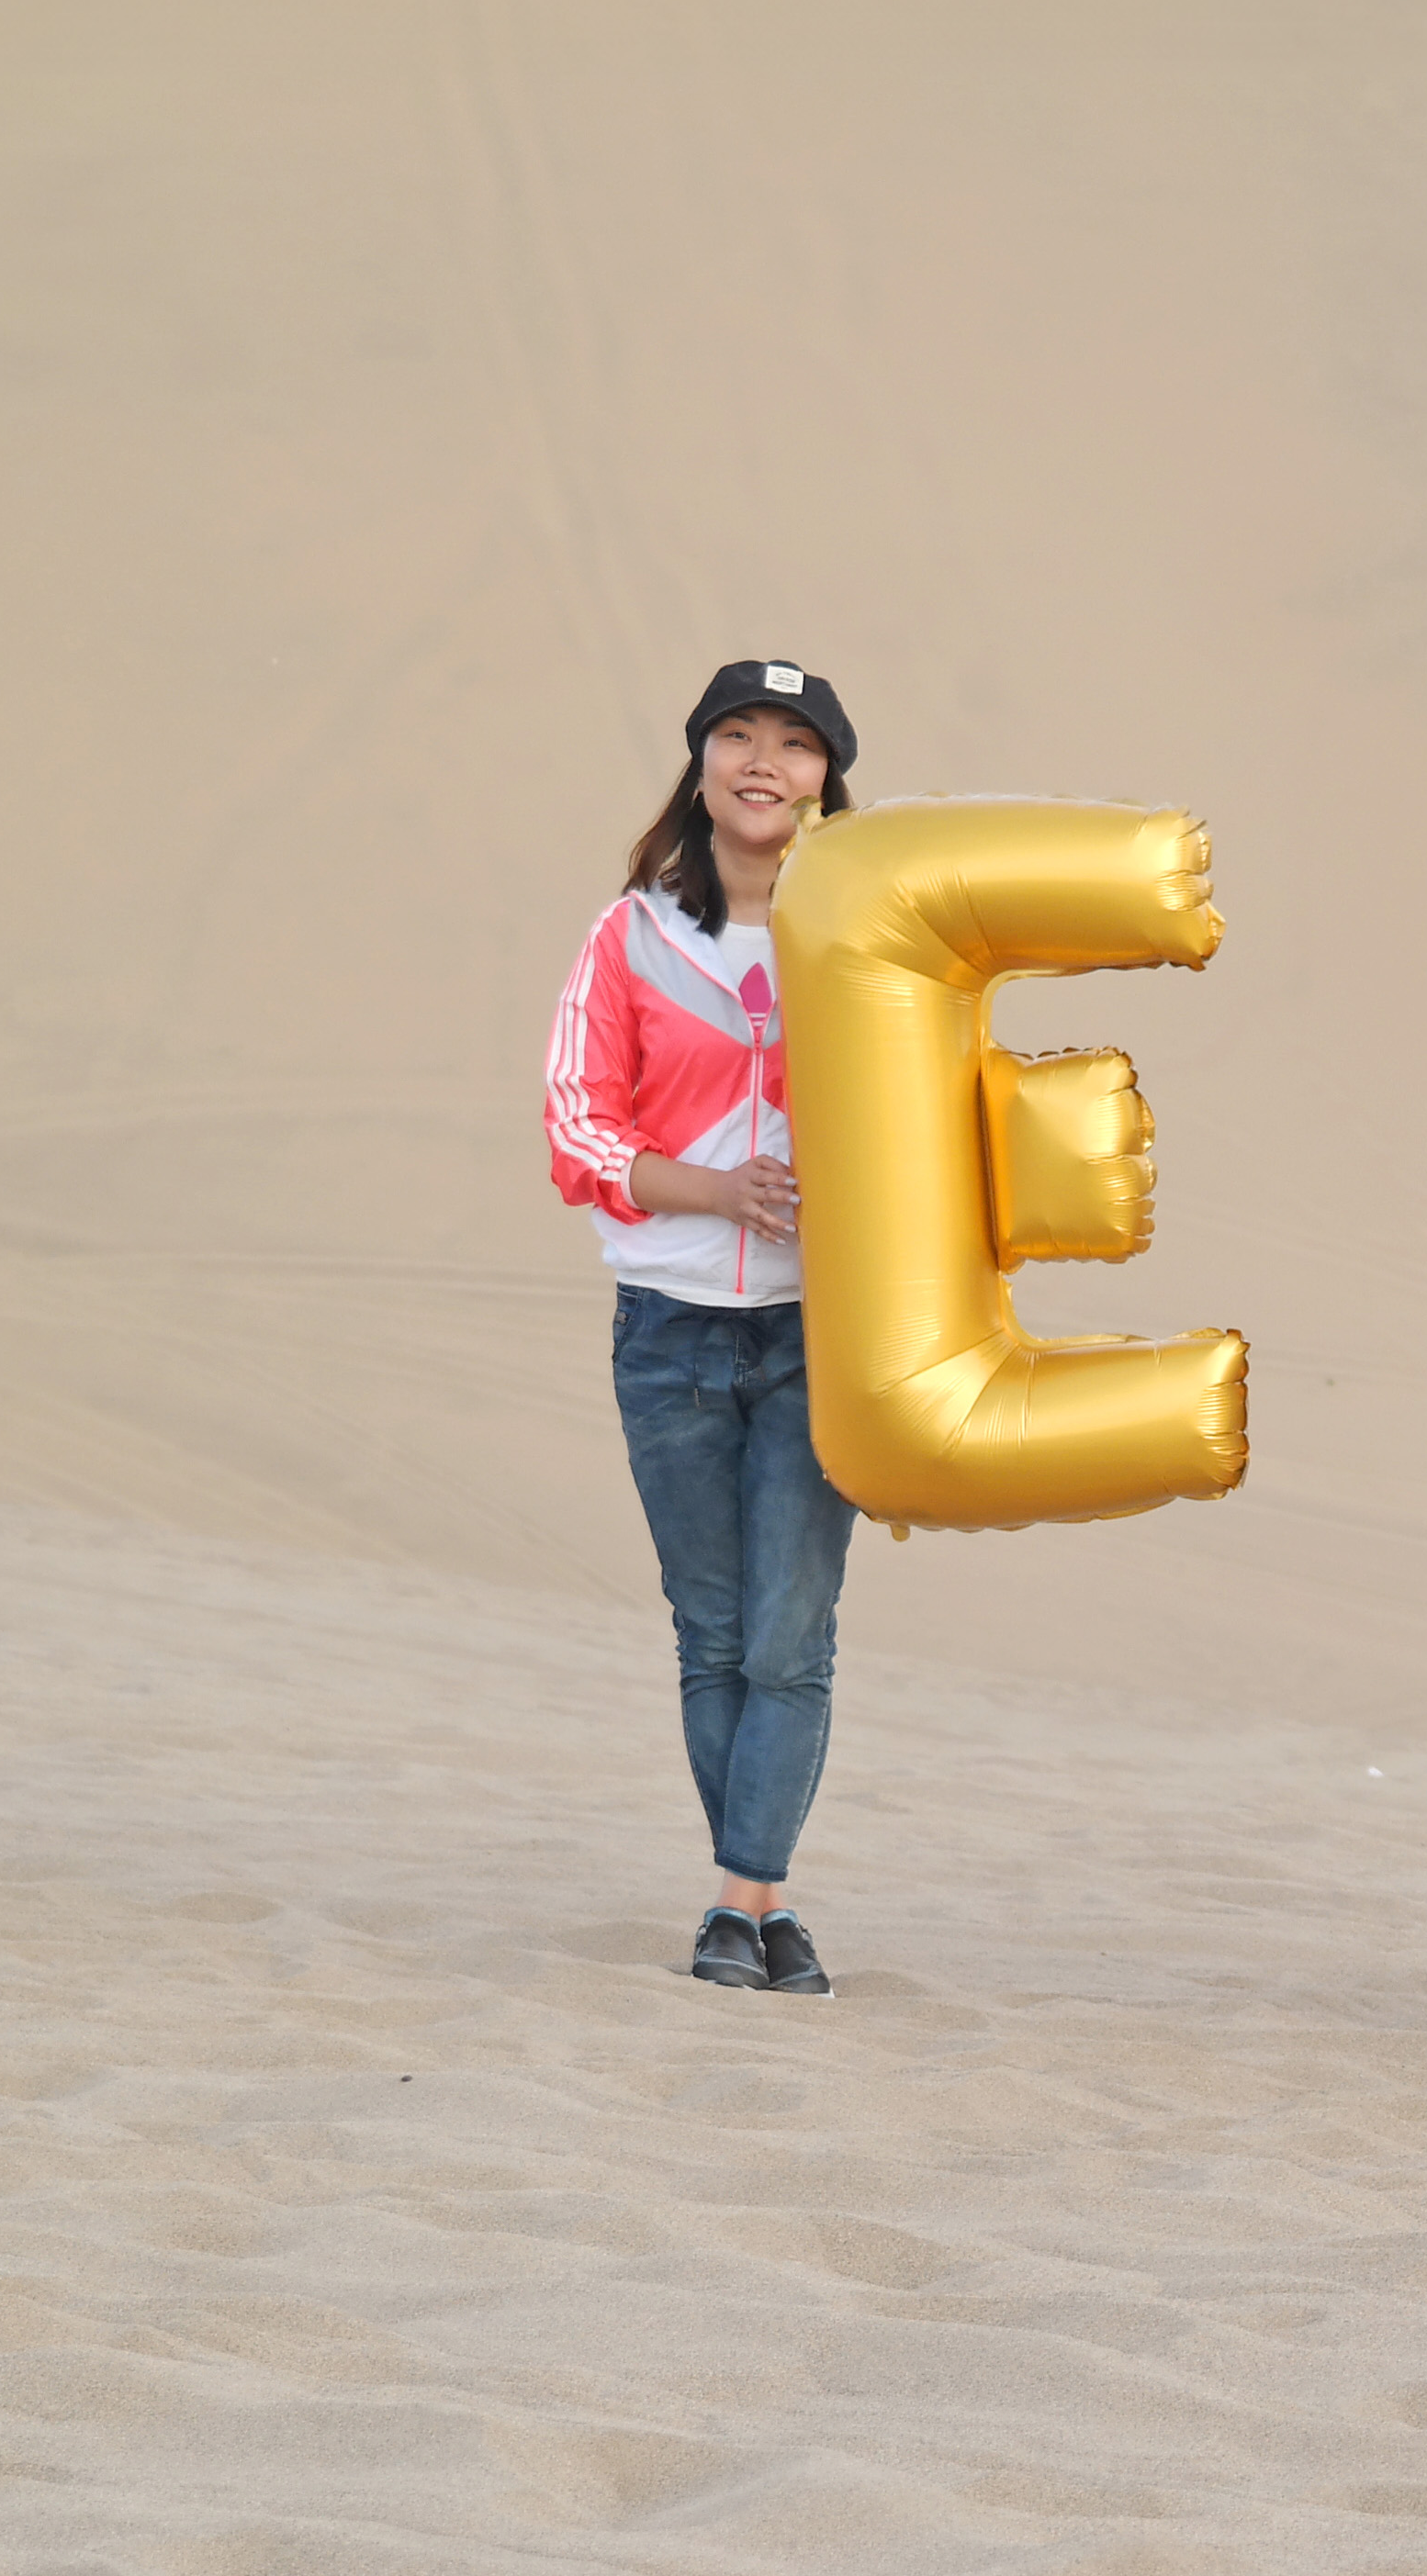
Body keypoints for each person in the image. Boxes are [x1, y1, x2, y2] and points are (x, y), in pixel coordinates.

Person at [545, 660, 860, 1999]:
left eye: (795, 745)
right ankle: (758, 1906)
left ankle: (747, 1899)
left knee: (795, 1634)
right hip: (669, 1329)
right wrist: (717, 1189)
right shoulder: (630, 939)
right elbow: (578, 1128)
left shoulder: (866, 938)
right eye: (739, 734)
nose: (763, 762)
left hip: (818, 1331)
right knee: (714, 1629)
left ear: (827, 783)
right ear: (700, 761)